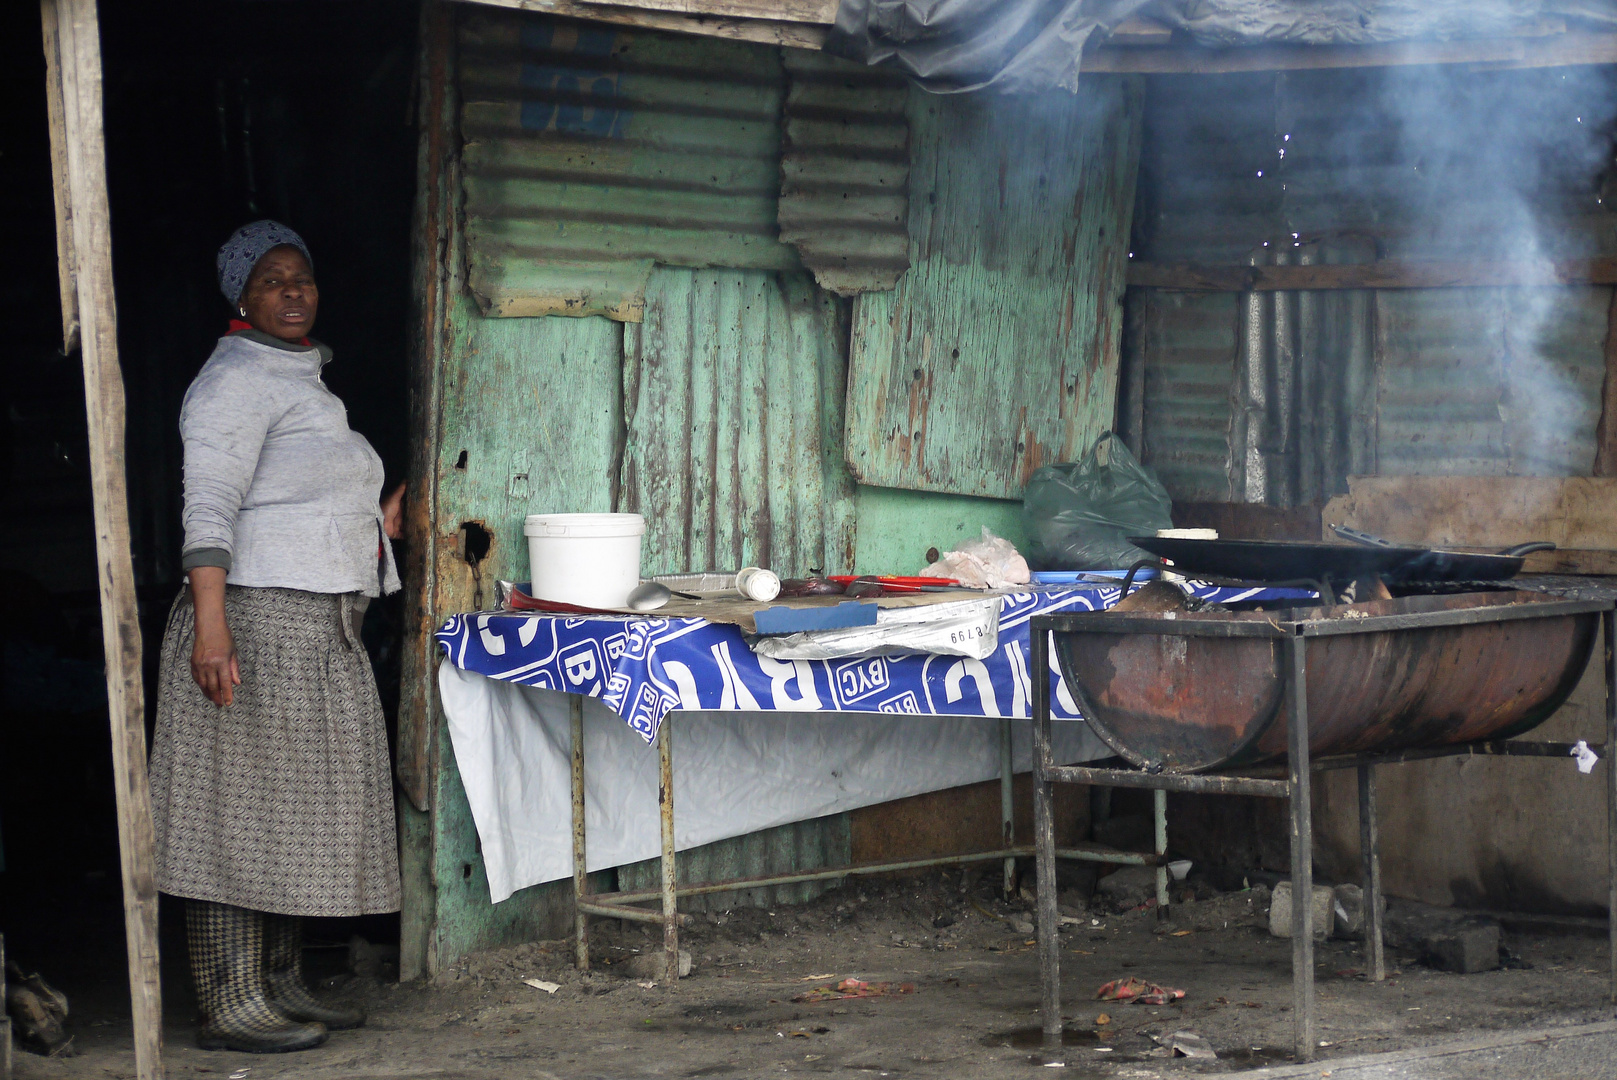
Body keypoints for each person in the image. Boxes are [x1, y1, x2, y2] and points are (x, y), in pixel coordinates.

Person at [148, 221, 405, 1053]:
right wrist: (212, 629)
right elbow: (210, 510)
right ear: (241, 298)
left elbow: (300, 496)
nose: (293, 292)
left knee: (286, 813)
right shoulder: (231, 382)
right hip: (251, 621)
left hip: (310, 625)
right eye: (271, 281)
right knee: (235, 814)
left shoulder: (299, 379)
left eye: (302, 278)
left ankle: (281, 983)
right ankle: (228, 1002)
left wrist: (378, 519)